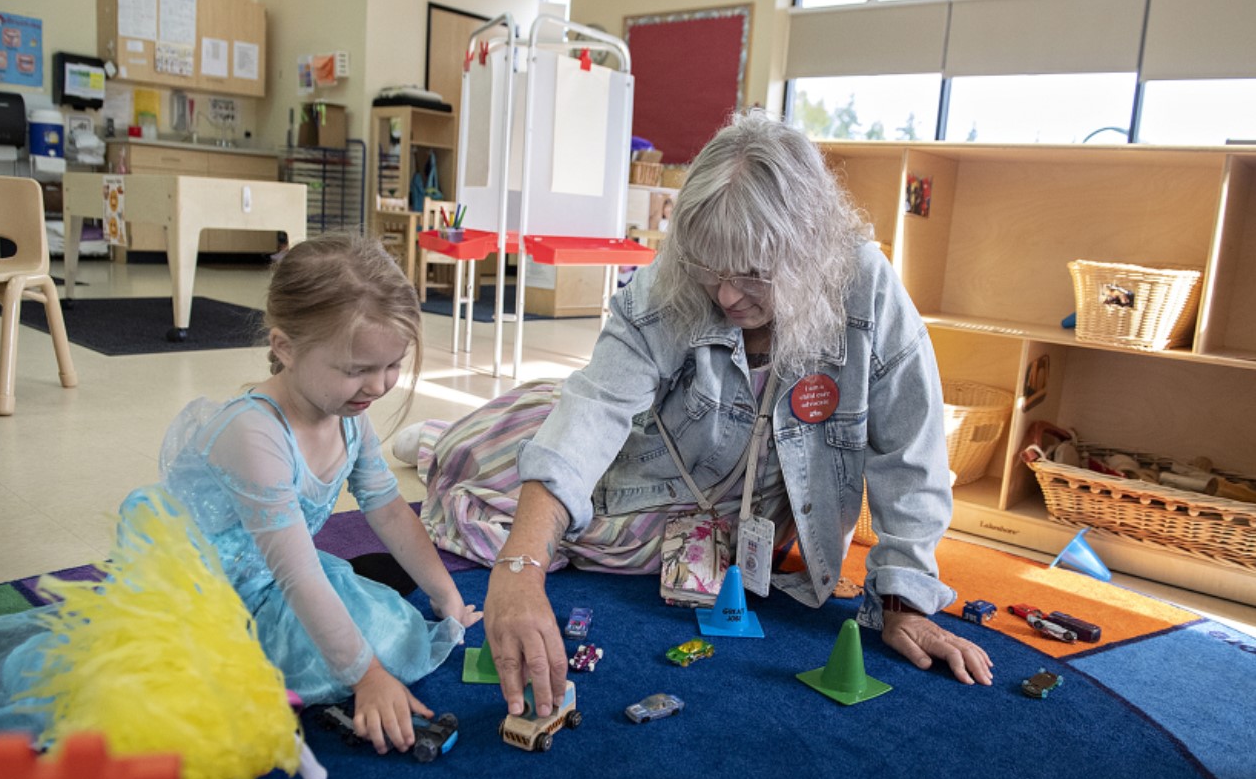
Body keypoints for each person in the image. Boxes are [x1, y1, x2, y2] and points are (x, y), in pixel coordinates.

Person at [405, 110, 992, 719]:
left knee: (610, 539)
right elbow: (598, 405)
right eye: (710, 272)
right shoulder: (673, 278)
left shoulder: (867, 285)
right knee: (498, 468)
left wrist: (906, 601)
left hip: (742, 512)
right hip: (651, 468)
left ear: (808, 249)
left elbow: (911, 452)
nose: (726, 296)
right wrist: (522, 566)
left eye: (752, 277)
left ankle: (442, 441)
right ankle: (439, 440)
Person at [0, 233, 480, 755]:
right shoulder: (253, 432)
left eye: (392, 365)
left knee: (392, 631)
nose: (378, 387)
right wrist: (367, 677)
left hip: (268, 583)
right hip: (197, 599)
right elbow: (299, 573)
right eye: (357, 370)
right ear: (284, 347)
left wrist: (447, 598)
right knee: (197, 706)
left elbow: (391, 511)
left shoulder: (349, 417)